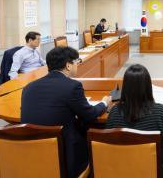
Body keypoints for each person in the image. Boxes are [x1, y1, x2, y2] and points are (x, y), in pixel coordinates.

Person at [21, 47, 111, 178]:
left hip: (31, 153)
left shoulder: (28, 87)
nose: (78, 65)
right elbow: (90, 114)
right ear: (68, 65)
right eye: (77, 61)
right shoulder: (73, 86)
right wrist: (104, 103)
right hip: (64, 154)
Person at [106, 64, 163, 178]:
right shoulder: (160, 112)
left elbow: (108, 146)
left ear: (125, 88)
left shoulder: (114, 112)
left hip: (120, 171)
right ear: (148, 86)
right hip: (152, 172)